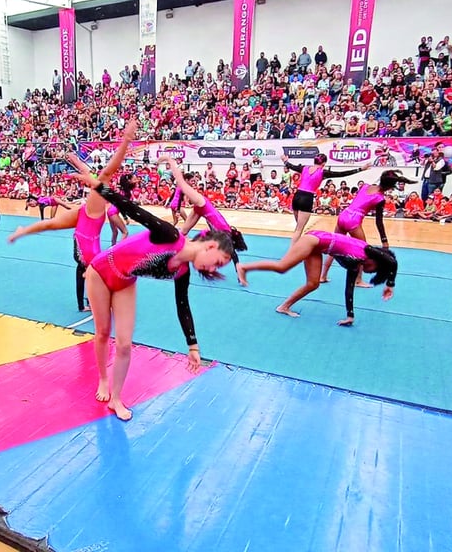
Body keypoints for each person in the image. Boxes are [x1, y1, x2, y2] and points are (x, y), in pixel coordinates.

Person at [68, 171, 236, 422]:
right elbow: (132, 209)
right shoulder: (169, 235)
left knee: (124, 343)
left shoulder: (182, 271)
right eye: (217, 263)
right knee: (103, 332)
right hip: (101, 272)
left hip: (125, 281)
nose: (212, 270)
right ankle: (103, 379)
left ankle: (116, 397)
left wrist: (193, 346)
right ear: (210, 246)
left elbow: (183, 306)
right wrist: (97, 186)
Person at [8, 120, 137, 311]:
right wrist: (126, 140)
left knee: (51, 225)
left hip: (85, 223)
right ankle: (99, 301)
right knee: (99, 270)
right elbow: (107, 170)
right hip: (87, 233)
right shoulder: (102, 189)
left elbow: (92, 173)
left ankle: (22, 231)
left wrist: (75, 161)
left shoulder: (101, 190)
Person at [238, 231, 397, 326]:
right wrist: (390, 284)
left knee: (313, 284)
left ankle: (284, 307)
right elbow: (392, 261)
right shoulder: (367, 250)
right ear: (376, 261)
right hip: (314, 239)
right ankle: (244, 267)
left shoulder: (356, 264)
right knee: (282, 267)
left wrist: (350, 315)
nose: (369, 272)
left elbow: (349, 289)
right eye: (374, 269)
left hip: (319, 247)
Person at [161, 156, 249, 285]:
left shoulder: (224, 234)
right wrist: (172, 163)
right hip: (203, 207)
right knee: (183, 233)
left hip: (202, 209)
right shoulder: (223, 231)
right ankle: (167, 254)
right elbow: (181, 187)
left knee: (183, 234)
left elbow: (233, 254)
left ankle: (168, 255)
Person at [320, 169, 414, 284]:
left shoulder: (364, 186)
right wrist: (384, 240)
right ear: (390, 187)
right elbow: (378, 222)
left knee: (334, 246)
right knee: (361, 251)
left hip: (344, 214)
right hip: (353, 220)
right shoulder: (380, 199)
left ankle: (323, 276)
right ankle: (358, 280)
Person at [281, 153, 368, 244]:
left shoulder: (304, 168)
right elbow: (342, 174)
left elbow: (291, 166)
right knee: (299, 229)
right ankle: (293, 251)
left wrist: (285, 161)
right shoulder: (323, 172)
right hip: (307, 198)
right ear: (324, 163)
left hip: (297, 196)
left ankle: (298, 245)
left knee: (298, 227)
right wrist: (360, 169)